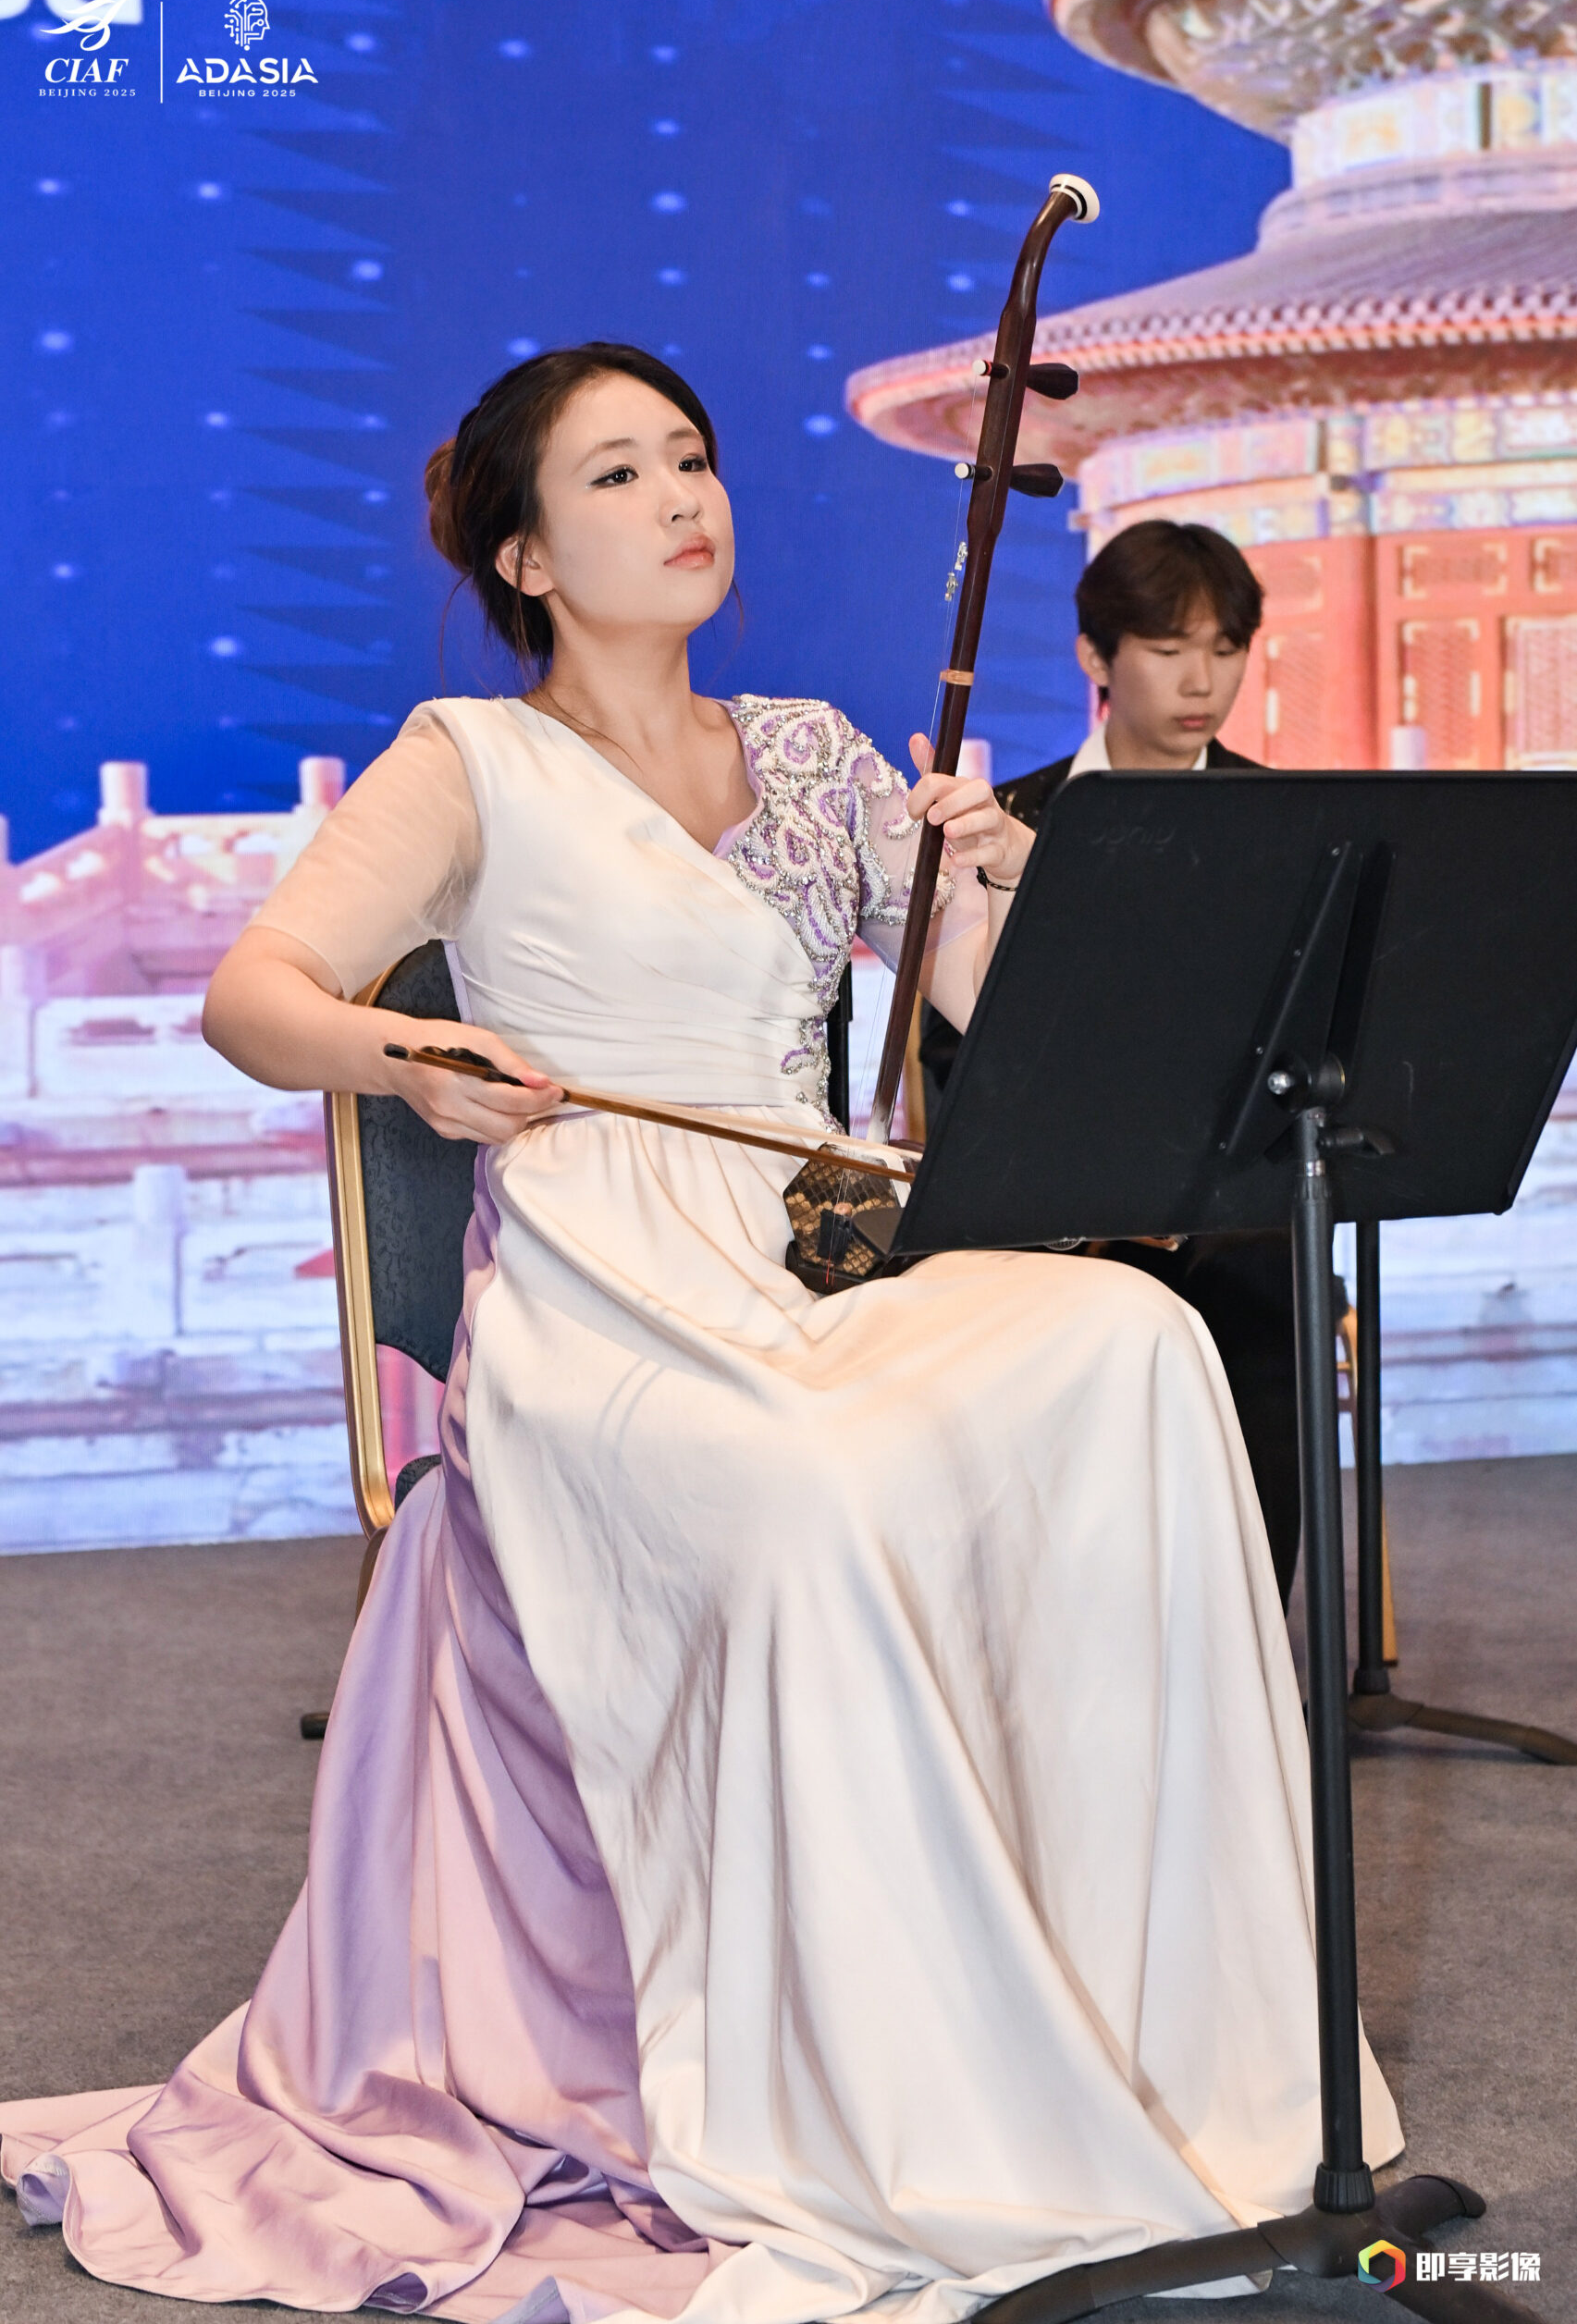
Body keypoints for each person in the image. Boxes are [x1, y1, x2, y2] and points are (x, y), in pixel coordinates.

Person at [0, 351, 1398, 2322]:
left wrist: (1007, 880)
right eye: (617, 473)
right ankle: (871, 2093)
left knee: (1135, 1344)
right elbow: (258, 989)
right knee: (810, 1479)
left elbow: (984, 1008)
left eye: (692, 458)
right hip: (603, 1281)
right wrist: (406, 1052)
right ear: (524, 554)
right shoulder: (468, 760)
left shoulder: (816, 752)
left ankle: (1171, 2044)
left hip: (812, 1241)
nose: (681, 496)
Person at [919, 520, 1303, 1608]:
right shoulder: (1005, 822)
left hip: (1228, 1213)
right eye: (1169, 649)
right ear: (1096, 655)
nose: (1201, 681)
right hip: (1059, 1215)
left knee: (1262, 1275)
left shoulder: (1286, 820)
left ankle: (1242, 1652)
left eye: (1225, 649)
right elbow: (959, 1054)